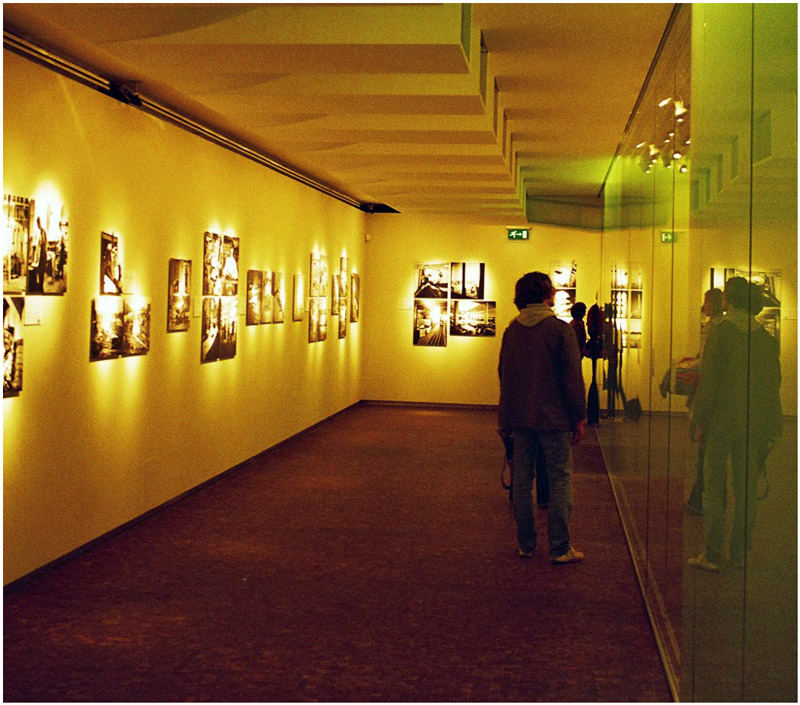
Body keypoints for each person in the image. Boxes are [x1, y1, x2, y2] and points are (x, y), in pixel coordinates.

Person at [688, 277, 781, 571]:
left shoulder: (723, 332)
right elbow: (772, 384)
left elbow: (710, 381)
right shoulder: (765, 338)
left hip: (721, 422)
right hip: (752, 424)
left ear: (729, 299)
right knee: (745, 487)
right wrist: (771, 428)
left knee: (714, 486)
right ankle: (740, 550)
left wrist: (699, 419)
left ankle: (713, 553)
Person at [498, 271, 587, 563]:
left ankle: (526, 544)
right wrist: (578, 416)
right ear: (547, 295)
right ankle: (560, 547)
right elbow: (572, 378)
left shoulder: (512, 330)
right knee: (560, 478)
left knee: (522, 480)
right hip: (554, 418)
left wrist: (505, 419)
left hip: (520, 418)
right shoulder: (559, 330)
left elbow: (504, 376)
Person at [685, 287, 724, 515]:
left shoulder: (718, 329)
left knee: (707, 451)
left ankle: (702, 499)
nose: (704, 306)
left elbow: (709, 367)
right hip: (709, 396)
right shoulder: (714, 327)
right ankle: (701, 497)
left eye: (707, 302)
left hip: (710, 398)